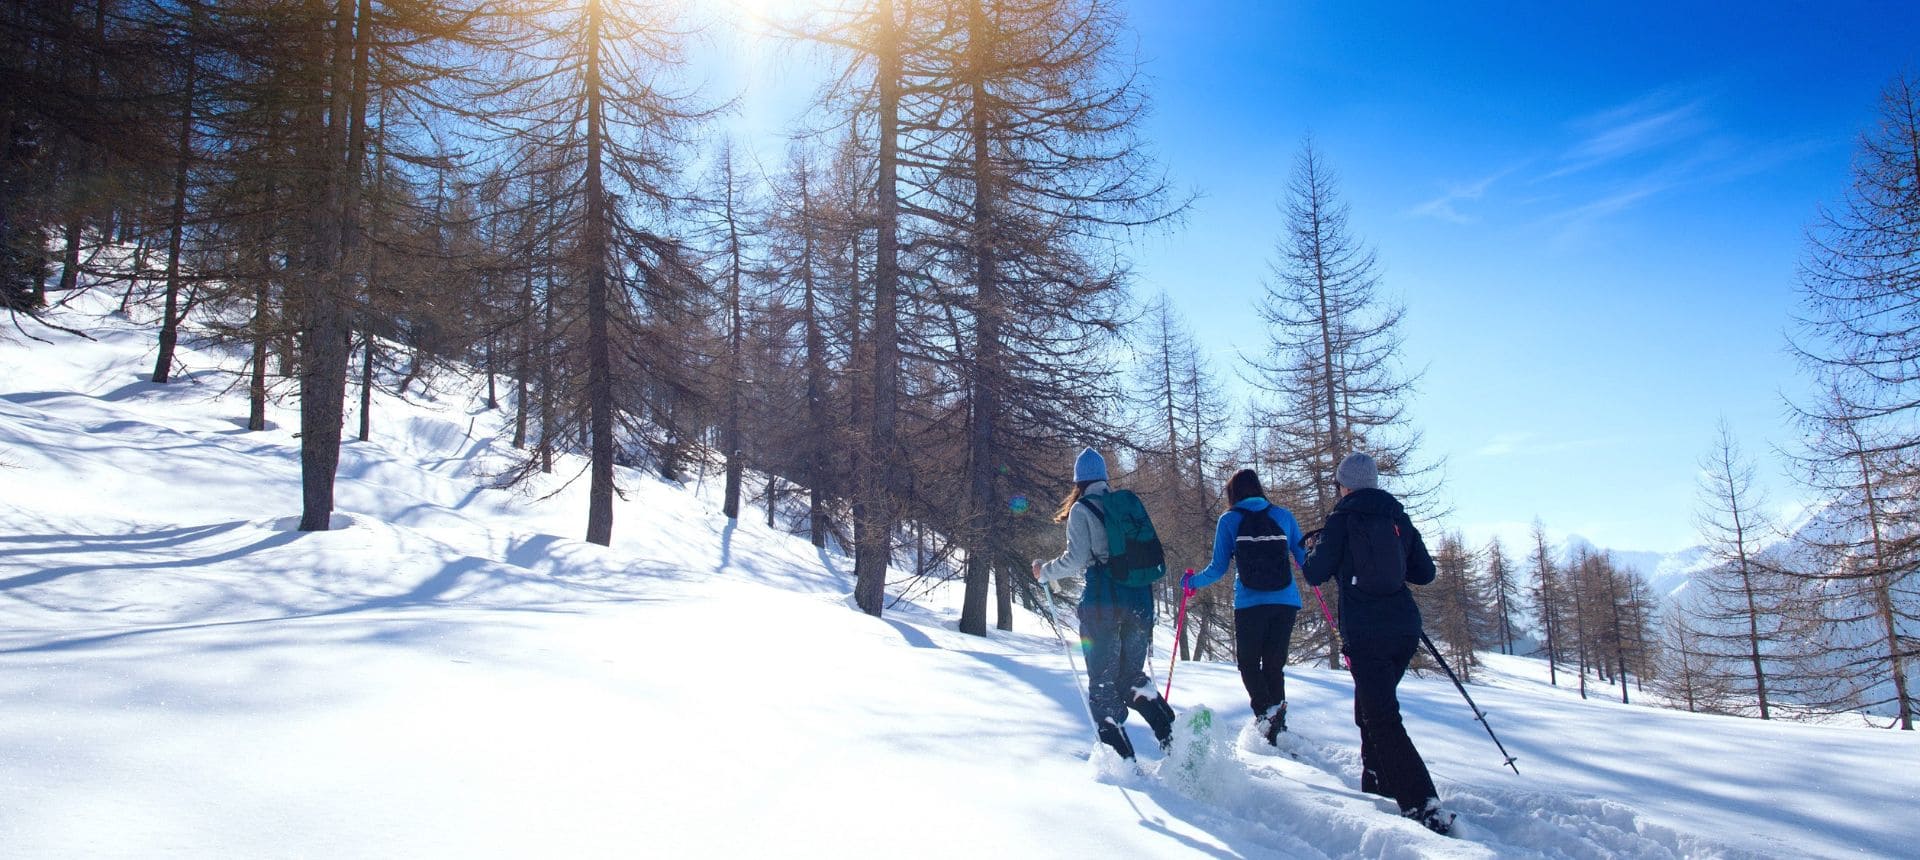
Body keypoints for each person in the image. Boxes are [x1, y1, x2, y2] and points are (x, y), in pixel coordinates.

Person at [1302, 452, 1453, 836]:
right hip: (1404, 627)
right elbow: (1425, 573)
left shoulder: (1340, 520)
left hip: (1366, 632)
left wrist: (1318, 550)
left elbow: (1314, 574)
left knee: (1382, 716)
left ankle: (1422, 803)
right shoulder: (1396, 516)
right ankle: (1377, 779)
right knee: (1372, 705)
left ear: (1346, 485)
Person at [1032, 447, 1175, 761]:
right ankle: (1174, 740)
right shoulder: (1124, 505)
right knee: (1131, 678)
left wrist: (1045, 572)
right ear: (1105, 478)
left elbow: (1077, 559)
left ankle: (1122, 764)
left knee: (1103, 686)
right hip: (1140, 601)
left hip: (1103, 604)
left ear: (1078, 481)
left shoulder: (1083, 509)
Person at [1181, 468, 1306, 745]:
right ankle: (1277, 724)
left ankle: (1265, 716)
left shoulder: (1230, 520)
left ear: (1233, 493)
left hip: (1250, 603)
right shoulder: (1283, 516)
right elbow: (1303, 557)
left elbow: (1218, 568)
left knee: (1249, 663)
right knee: (1275, 664)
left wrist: (1192, 582)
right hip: (1285, 600)